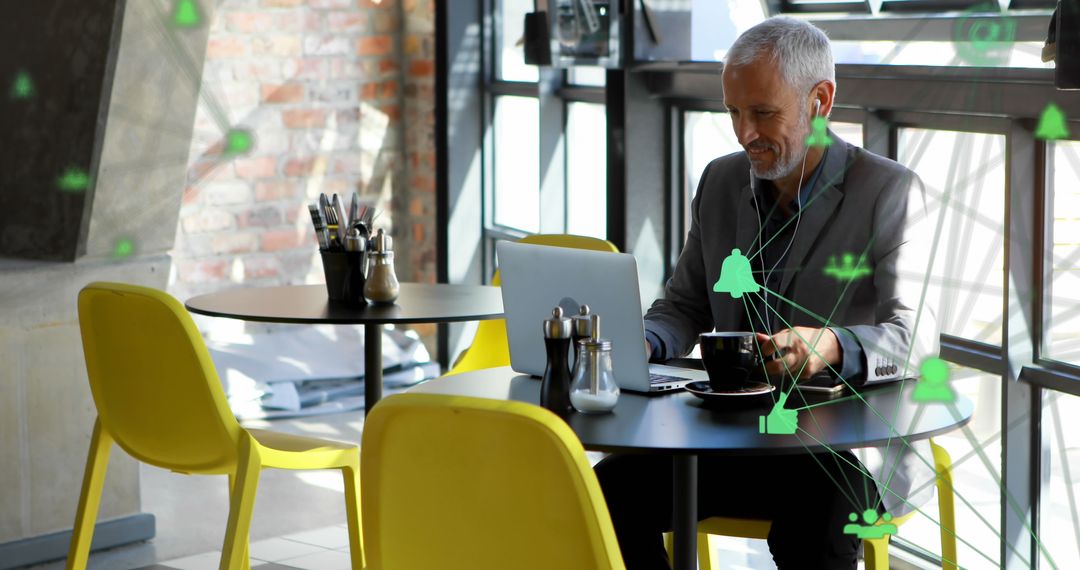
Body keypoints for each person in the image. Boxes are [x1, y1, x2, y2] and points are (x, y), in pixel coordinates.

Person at [595, 17, 939, 570]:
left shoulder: (889, 192)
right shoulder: (719, 182)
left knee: (814, 528)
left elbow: (913, 337)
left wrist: (828, 345)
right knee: (605, 495)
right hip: (733, 438)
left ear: (820, 101)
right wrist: (643, 342)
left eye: (762, 113)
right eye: (733, 112)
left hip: (842, 448)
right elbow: (684, 305)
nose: (743, 133)